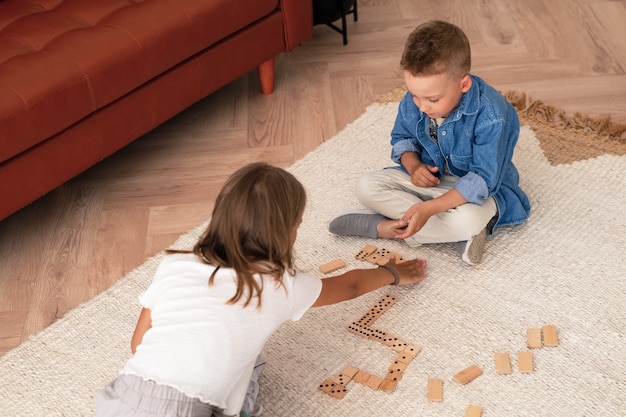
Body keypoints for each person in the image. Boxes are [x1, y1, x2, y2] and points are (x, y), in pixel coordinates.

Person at [95, 162, 428, 417]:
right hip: (190, 410)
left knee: (245, 365)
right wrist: (391, 273)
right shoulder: (281, 284)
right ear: (286, 233)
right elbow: (351, 284)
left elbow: (139, 343)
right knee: (248, 373)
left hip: (120, 397)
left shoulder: (175, 264)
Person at [328, 20, 531, 265]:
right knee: (365, 186)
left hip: (481, 193)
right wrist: (413, 167)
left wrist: (430, 208)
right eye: (415, 95)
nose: (422, 106)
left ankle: (383, 227)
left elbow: (482, 182)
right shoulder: (416, 101)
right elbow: (402, 139)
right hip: (436, 183)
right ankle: (457, 233)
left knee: (467, 219)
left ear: (463, 84)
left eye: (432, 99)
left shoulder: (491, 116)